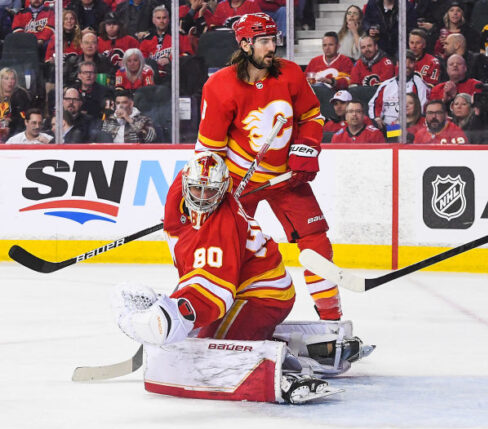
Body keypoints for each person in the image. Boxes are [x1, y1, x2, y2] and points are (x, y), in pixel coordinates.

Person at [114, 152, 353, 404]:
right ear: (185, 184)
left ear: (224, 188)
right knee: (194, 338)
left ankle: (286, 370)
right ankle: (309, 346)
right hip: (245, 286)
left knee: (212, 349)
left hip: (263, 294)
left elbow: (216, 294)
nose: (203, 198)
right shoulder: (178, 196)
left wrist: (174, 315)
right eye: (196, 189)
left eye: (210, 191)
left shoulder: (223, 224)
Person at [196, 13, 345, 321]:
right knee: (226, 245)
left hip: (287, 177)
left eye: (273, 40)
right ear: (245, 44)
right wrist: (209, 183)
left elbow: (312, 117)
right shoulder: (220, 85)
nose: (271, 47)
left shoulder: (290, 73)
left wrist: (305, 149)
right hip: (239, 179)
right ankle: (215, 312)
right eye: (263, 41)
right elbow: (209, 147)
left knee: (316, 239)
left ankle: (331, 319)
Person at [368, 50, 429, 128]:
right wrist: (376, 118)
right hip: (384, 126)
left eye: (410, 62)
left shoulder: (420, 85)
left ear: (415, 64)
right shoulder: (386, 85)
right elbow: (373, 104)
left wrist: (398, 125)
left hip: (408, 126)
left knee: (393, 134)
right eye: (403, 62)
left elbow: (421, 111)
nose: (406, 65)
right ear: (397, 64)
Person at [139, 5, 194, 81]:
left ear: (168, 19)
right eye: (158, 18)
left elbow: (188, 55)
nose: (161, 21)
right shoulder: (147, 39)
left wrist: (170, 59)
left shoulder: (178, 35)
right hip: (153, 77)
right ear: (153, 20)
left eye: (164, 18)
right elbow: (142, 60)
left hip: (174, 75)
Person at [0, 67, 32, 141]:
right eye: (7, 78)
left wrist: (11, 120)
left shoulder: (21, 95)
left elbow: (25, 115)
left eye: (12, 78)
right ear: (0, 80)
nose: (10, 81)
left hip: (16, 131)